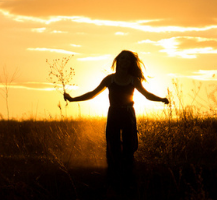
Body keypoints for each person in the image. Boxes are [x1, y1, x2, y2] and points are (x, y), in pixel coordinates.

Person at [64, 50, 169, 195]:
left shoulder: (133, 80)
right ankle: (113, 181)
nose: (124, 61)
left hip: (128, 114)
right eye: (122, 58)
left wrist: (161, 99)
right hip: (113, 114)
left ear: (131, 63)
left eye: (128, 59)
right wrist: (72, 99)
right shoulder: (110, 79)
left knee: (129, 148)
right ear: (118, 61)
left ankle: (128, 182)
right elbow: (92, 94)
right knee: (112, 148)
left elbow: (147, 95)